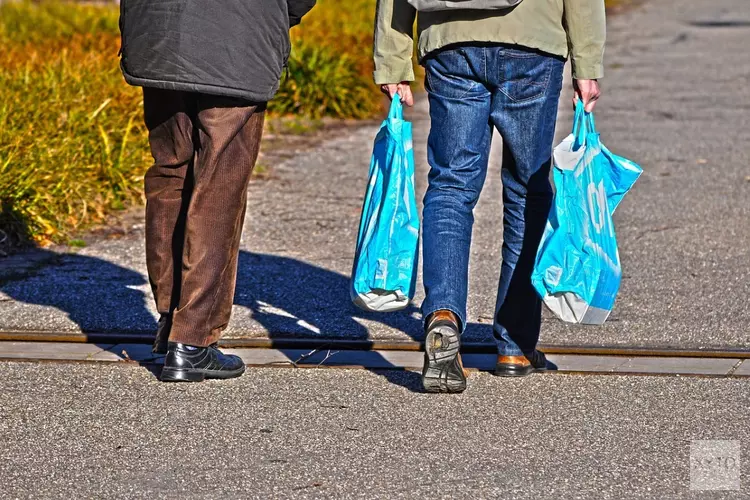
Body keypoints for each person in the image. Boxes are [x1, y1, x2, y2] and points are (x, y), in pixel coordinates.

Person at [374, 0, 605, 392]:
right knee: (526, 191)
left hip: (449, 40)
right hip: (532, 42)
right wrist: (588, 64)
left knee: (450, 186)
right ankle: (515, 345)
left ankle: (443, 315)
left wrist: (392, 58)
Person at [119, 0, 316, 382]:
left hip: (158, 35)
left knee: (170, 175)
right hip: (236, 41)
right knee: (219, 188)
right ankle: (191, 340)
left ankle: (170, 322)